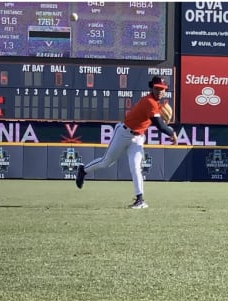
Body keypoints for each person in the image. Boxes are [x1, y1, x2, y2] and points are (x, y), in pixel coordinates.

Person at [75, 76, 178, 209]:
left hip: (138, 138)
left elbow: (158, 122)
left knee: (136, 167)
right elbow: (158, 125)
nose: (160, 91)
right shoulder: (149, 101)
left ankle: (140, 200)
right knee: (106, 162)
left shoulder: (156, 104)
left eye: (162, 89)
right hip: (123, 133)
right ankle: (83, 170)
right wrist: (171, 133)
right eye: (157, 88)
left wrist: (167, 127)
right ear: (152, 88)